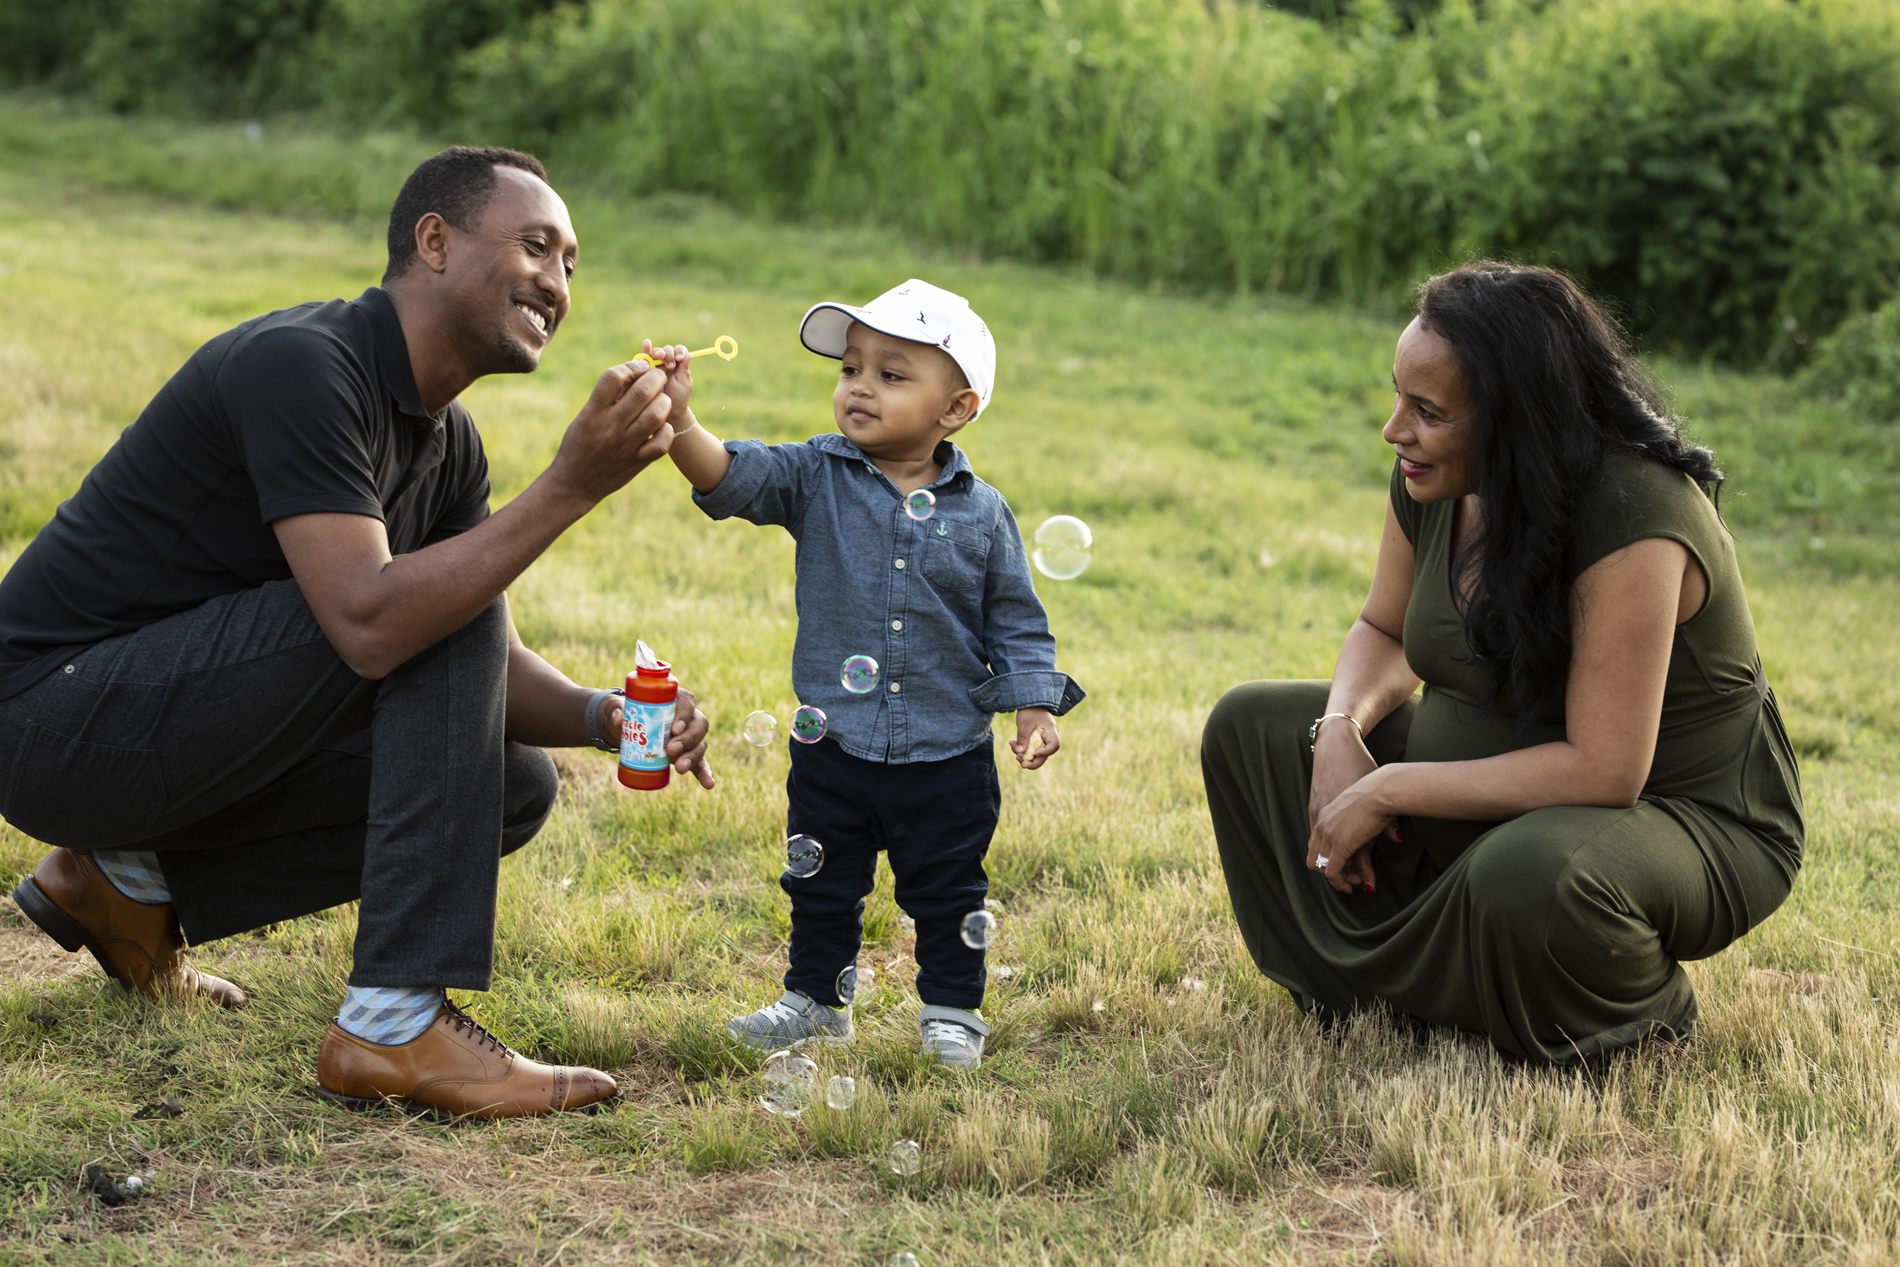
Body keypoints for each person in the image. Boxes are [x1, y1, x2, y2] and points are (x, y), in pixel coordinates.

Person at [1, 146, 715, 1118]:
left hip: (148, 733)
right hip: (49, 721)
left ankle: (126, 883)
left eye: (572, 264)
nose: (557, 282)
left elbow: (480, 655)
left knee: (511, 783)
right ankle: (392, 1019)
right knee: (424, 599)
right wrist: (571, 485)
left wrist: (610, 716)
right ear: (434, 242)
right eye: (537, 247)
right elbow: (375, 623)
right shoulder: (305, 365)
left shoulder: (448, 444)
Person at [1201, 262, 1804, 1065]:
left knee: (1533, 877)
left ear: (1516, 420)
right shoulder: (1435, 476)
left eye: (1428, 411)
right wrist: (1341, 730)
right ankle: (1404, 989)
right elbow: (1382, 627)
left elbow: (1605, 770)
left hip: (1680, 818)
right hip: (1497, 800)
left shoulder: (1634, 512)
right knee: (1253, 727)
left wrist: (1388, 784)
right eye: (1397, 397)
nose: (1394, 429)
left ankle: (1628, 1007)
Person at [653, 279, 1084, 1070]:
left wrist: (1032, 704)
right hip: (834, 746)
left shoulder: (984, 513)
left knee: (949, 892)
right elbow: (727, 476)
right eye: (852, 367)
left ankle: (952, 1012)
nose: (859, 386)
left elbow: (1016, 620)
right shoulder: (815, 474)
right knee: (819, 882)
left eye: (892, 374)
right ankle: (817, 1001)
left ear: (956, 408)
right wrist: (681, 418)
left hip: (947, 755)